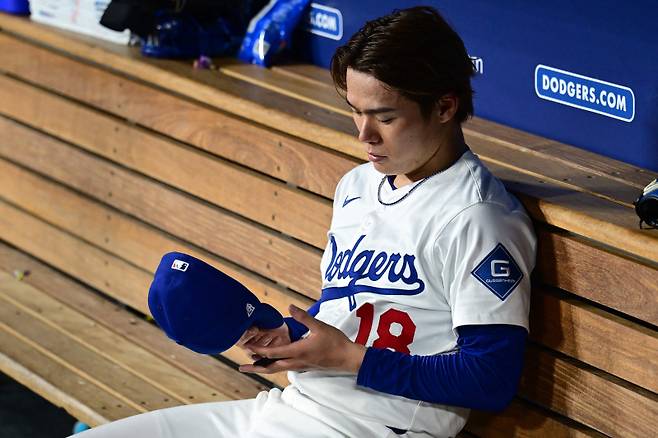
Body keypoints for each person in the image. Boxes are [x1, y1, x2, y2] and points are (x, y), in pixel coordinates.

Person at [74, 6, 536, 438]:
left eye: (385, 117)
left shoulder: (477, 218)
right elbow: (356, 306)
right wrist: (288, 338)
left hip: (371, 429)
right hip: (295, 408)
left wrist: (348, 358)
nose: (364, 135)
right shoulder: (358, 185)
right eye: (355, 111)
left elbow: (489, 379)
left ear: (444, 107)